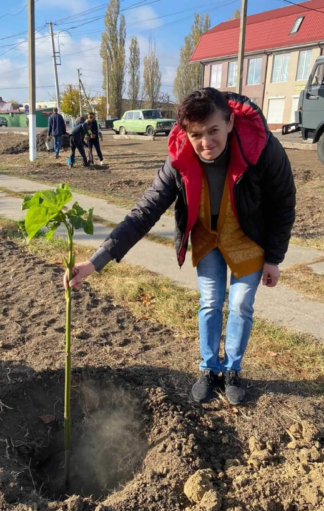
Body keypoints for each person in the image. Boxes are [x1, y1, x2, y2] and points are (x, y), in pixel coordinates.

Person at [64, 88, 297, 405]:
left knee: (241, 303)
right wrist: (96, 261)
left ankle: (232, 371)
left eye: (213, 130)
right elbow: (145, 211)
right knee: (211, 300)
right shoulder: (179, 158)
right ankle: (208, 369)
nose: (206, 143)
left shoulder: (262, 147)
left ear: (228, 122)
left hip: (247, 235)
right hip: (206, 236)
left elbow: (284, 203)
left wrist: (274, 258)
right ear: (186, 132)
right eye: (196, 134)